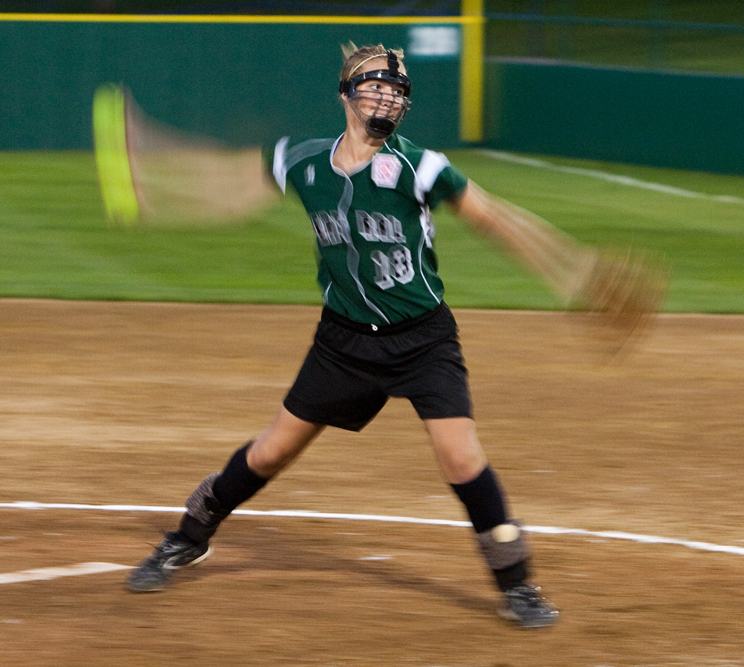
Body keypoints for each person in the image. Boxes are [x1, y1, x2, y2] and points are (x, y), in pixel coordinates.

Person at [125, 42, 559, 629]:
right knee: (272, 451)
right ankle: (187, 536)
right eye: (375, 86)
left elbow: (493, 218)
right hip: (344, 341)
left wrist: (572, 267)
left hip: (422, 339)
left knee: (461, 458)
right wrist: (161, 173)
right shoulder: (302, 161)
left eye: (396, 91)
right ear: (345, 95)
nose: (387, 98)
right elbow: (228, 188)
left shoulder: (421, 167)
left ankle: (518, 585)